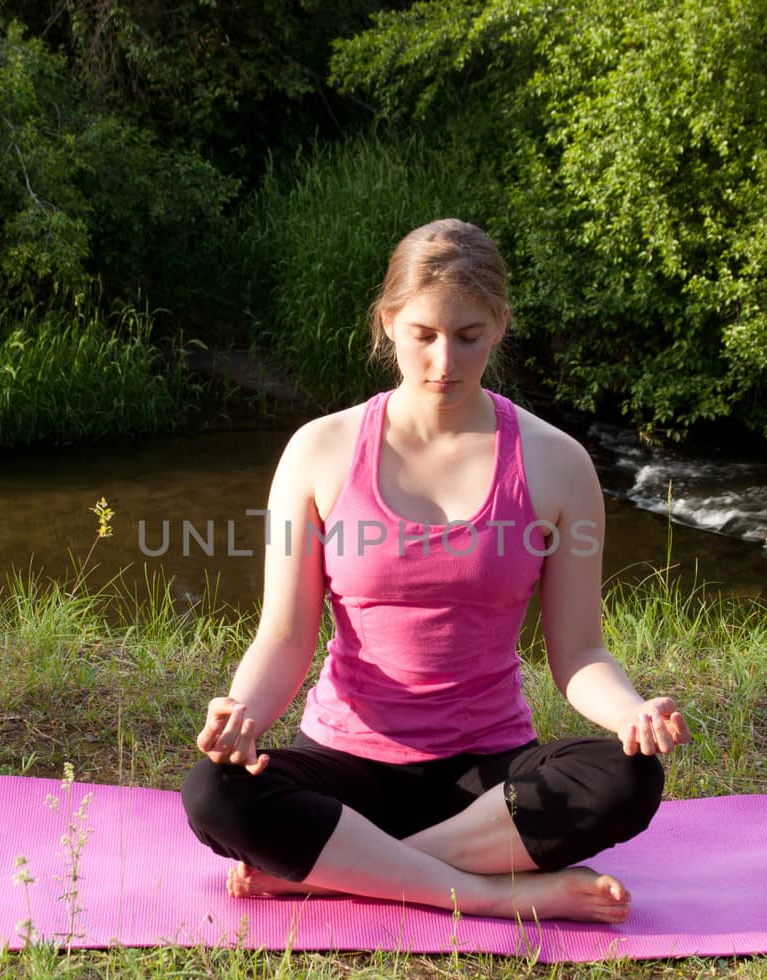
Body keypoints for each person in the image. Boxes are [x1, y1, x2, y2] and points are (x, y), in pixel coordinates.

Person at [181, 219, 689, 923]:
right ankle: (485, 891)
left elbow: (579, 654)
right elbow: (284, 636)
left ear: (501, 326)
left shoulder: (556, 463)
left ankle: (345, 871)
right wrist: (242, 714)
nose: (444, 360)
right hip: (344, 762)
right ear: (388, 321)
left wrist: (629, 710)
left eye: (469, 335)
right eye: (422, 334)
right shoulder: (318, 450)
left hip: (486, 775)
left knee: (627, 779)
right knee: (214, 792)